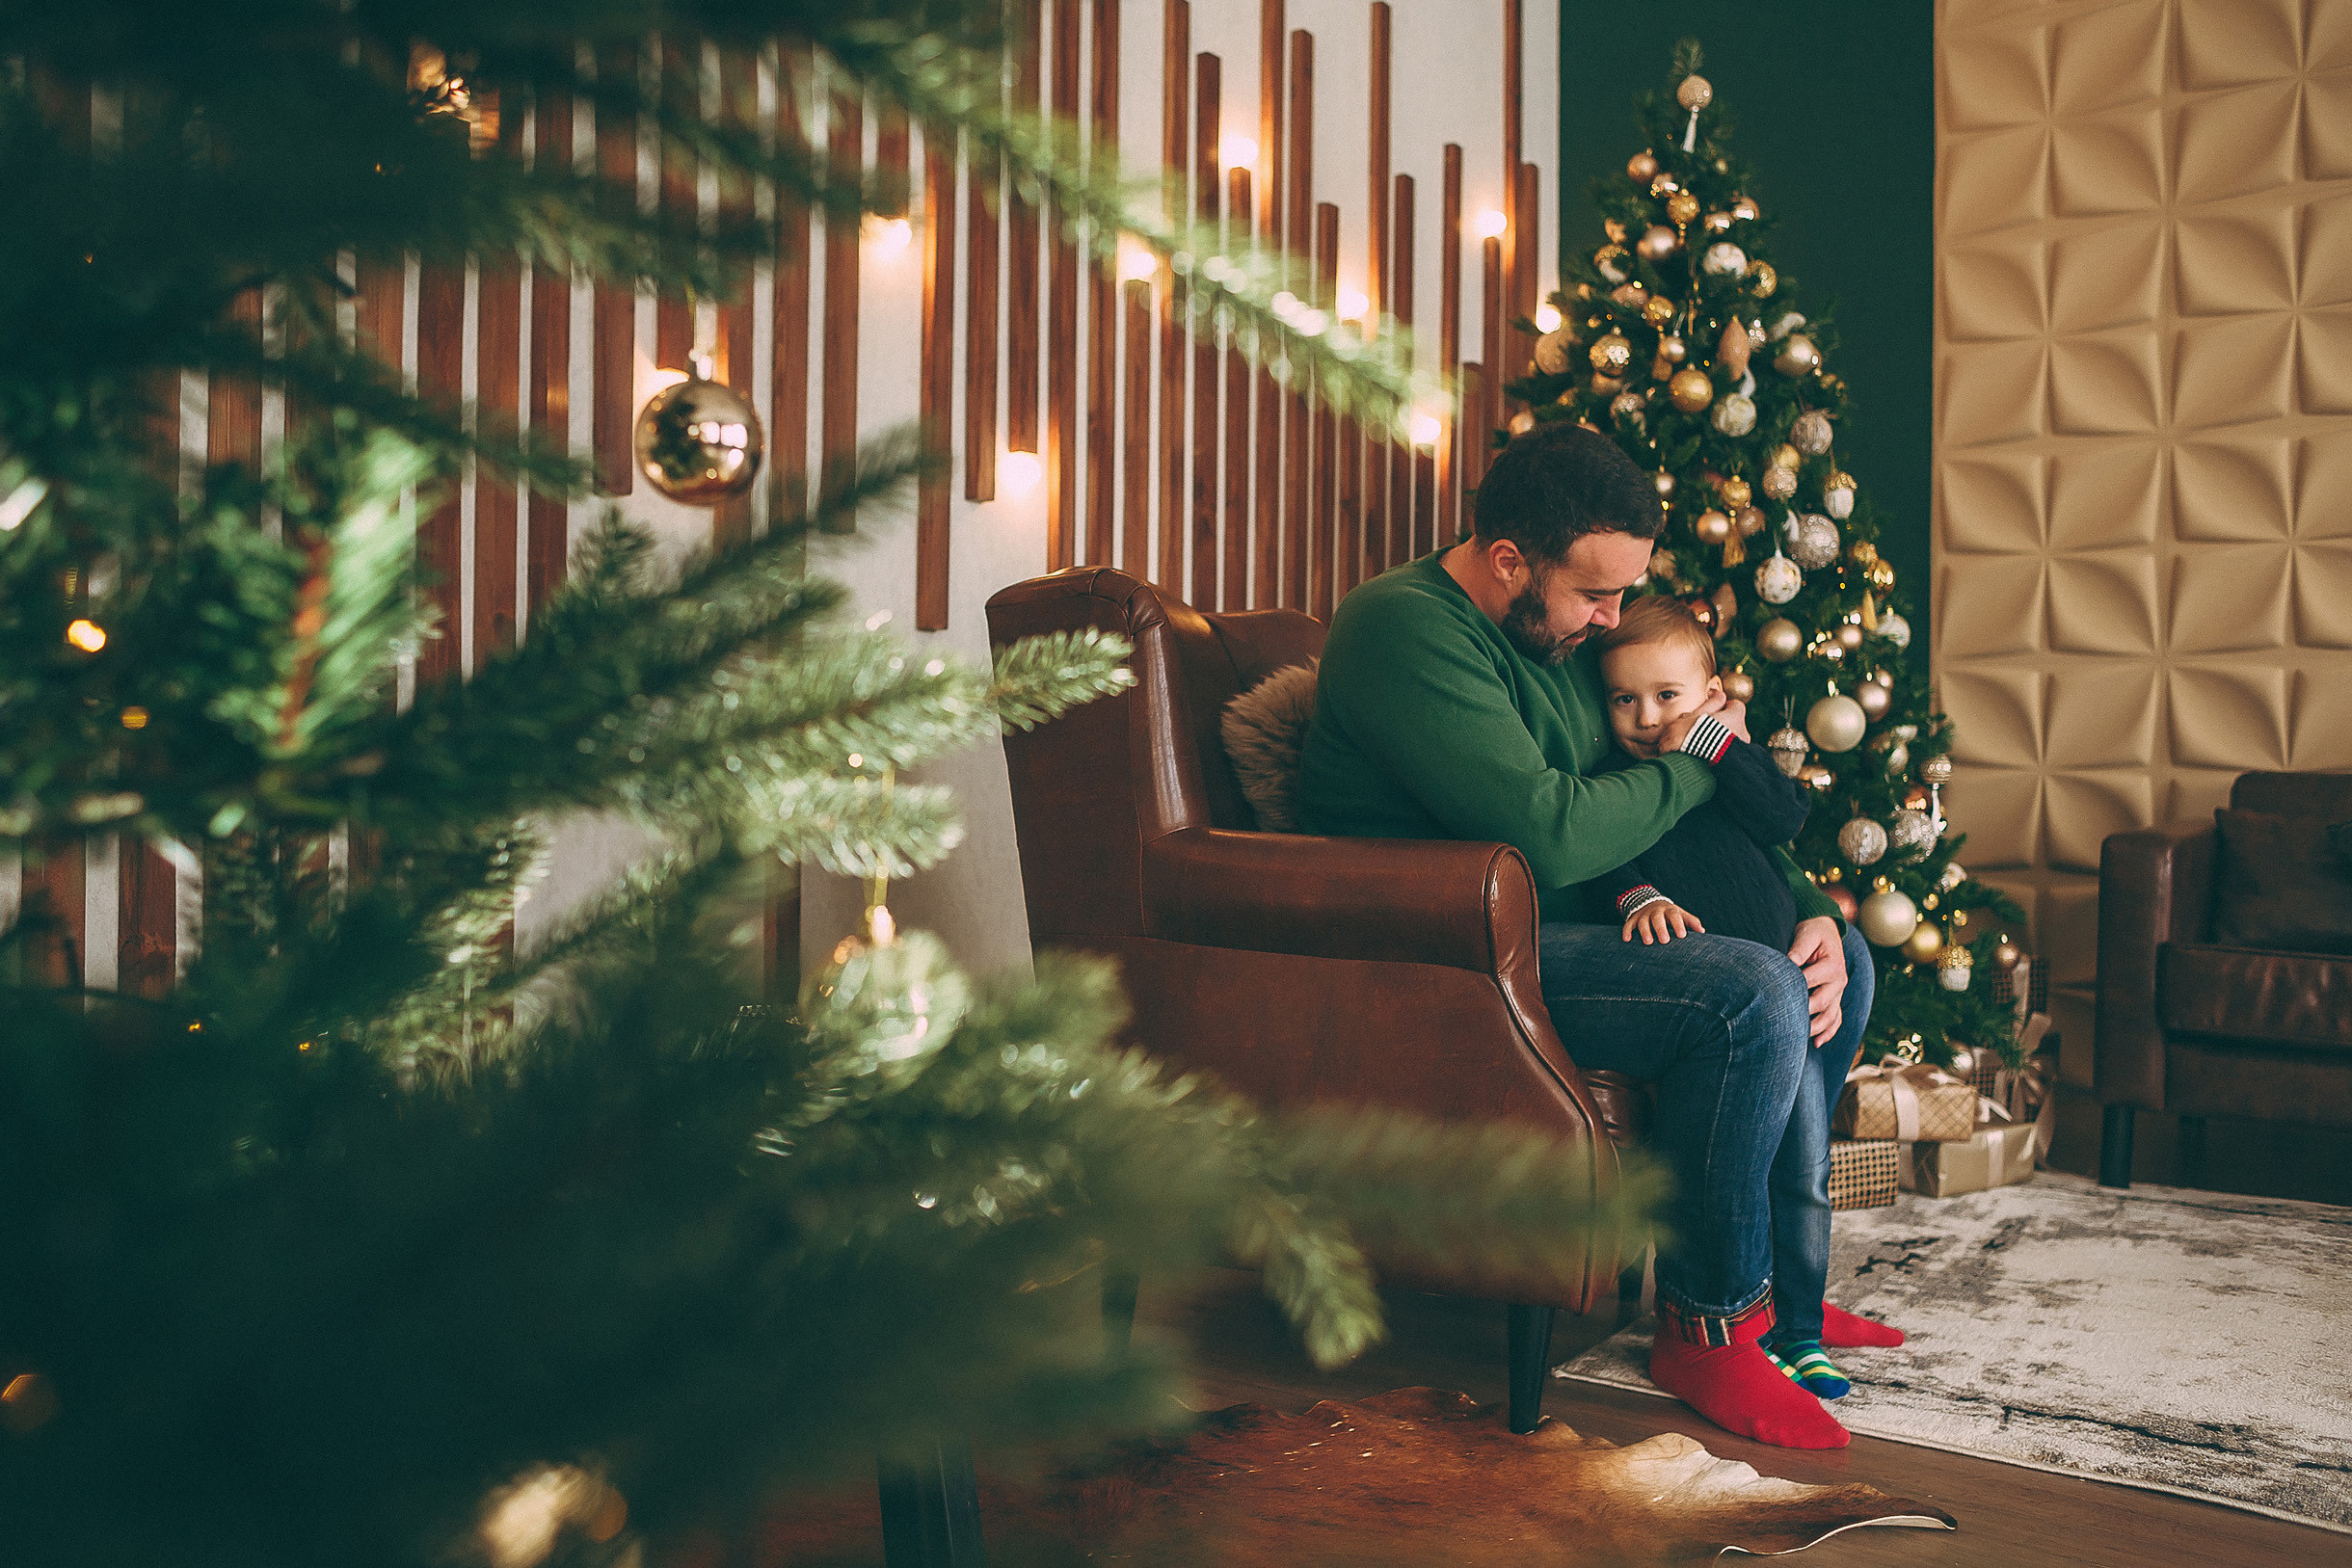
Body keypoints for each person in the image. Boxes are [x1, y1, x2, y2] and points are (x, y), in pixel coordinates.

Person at [1298, 421, 1896, 1451]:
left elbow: (1664, 805)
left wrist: (1805, 902)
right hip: (1447, 954)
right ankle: (1706, 1326)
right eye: (1595, 592)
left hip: (1557, 927)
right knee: (1748, 993)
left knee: (1843, 954)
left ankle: (1779, 1298)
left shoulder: (1558, 632)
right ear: (1506, 561)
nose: (1615, 618)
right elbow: (1552, 829)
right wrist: (1710, 752)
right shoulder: (1403, 628)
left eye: (1627, 591)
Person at [1585, 596, 1883, 1403]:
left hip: (1791, 967)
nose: (1648, 718)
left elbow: (1785, 816)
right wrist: (1638, 895)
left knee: (1807, 1171)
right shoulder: (1616, 779)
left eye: (1668, 696)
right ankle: (1758, 1325)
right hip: (1746, 998)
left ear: (1711, 693)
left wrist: (1720, 747)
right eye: (1625, 699)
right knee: (1763, 1167)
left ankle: (1801, 1328)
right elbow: (1601, 856)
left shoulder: (1722, 759)